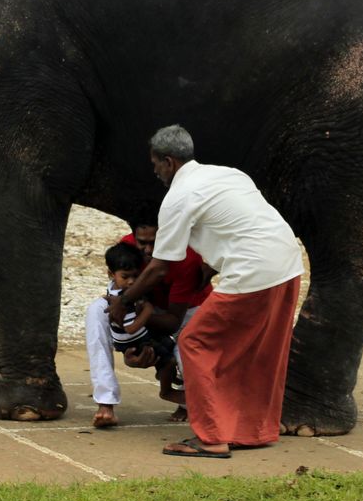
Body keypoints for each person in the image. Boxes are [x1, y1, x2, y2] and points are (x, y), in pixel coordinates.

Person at [110, 125, 303, 458]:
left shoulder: (177, 198)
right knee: (257, 349)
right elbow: (243, 222)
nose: (155, 171)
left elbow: (159, 266)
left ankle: (211, 437)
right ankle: (251, 430)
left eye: (155, 164)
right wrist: (209, 267)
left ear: (168, 162)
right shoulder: (229, 175)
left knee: (194, 342)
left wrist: (123, 300)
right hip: (287, 262)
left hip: (252, 272)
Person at [85, 207, 212, 428]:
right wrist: (128, 345)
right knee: (97, 310)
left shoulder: (187, 258)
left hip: (187, 312)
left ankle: (185, 398)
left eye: (154, 242)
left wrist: (135, 327)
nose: (148, 249)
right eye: (142, 242)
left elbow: (172, 321)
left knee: (185, 349)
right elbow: (117, 294)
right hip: (141, 309)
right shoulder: (127, 249)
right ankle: (105, 403)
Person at [103, 242, 176, 369]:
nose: (131, 282)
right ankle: (166, 387)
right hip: (134, 339)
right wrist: (147, 310)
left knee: (169, 344)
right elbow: (131, 328)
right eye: (125, 277)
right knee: (168, 360)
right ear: (111, 274)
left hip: (135, 335)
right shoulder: (121, 297)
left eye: (136, 276)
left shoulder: (113, 287)